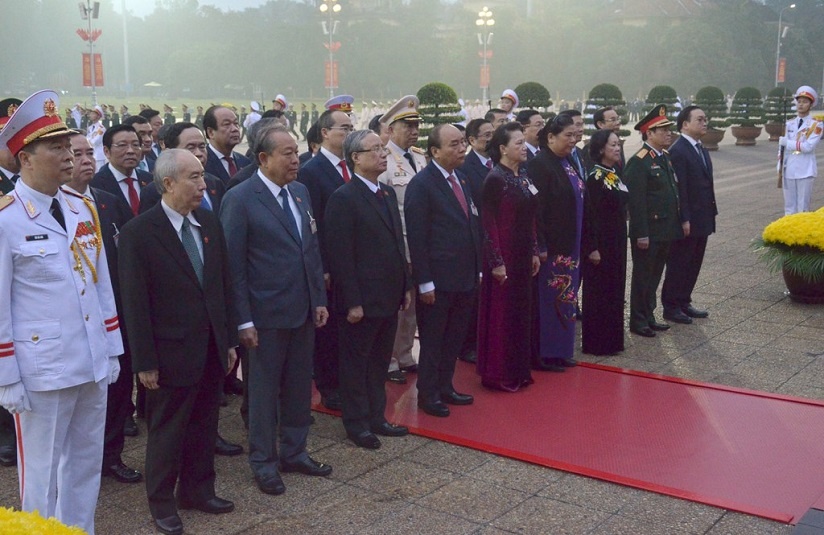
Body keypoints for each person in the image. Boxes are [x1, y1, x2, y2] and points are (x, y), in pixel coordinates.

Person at [0, 89, 123, 534]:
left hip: (89, 359)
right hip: (42, 369)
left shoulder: (80, 206)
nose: (68, 154)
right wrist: (6, 375)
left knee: (85, 464)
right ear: (25, 157)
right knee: (42, 472)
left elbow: (101, 284)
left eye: (67, 145)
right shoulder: (7, 219)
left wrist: (111, 348)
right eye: (55, 147)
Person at [119, 149, 237, 535]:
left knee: (205, 425)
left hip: (209, 349)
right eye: (195, 177)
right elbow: (135, 304)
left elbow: (221, 286)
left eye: (203, 176)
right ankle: (162, 503)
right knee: (168, 433)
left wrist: (228, 339)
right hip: (168, 354)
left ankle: (199, 491)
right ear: (168, 183)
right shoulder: (140, 233)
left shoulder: (207, 222)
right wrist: (144, 362)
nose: (204, 184)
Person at [220, 124, 332, 497]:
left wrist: (318, 299)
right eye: (286, 153)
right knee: (264, 394)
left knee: (299, 387)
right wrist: (243, 320)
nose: (295, 159)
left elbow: (310, 251)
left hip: (301, 311)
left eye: (296, 152)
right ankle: (264, 462)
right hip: (264, 318)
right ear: (264, 159)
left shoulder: (299, 193)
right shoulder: (241, 198)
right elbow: (233, 267)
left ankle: (295, 451)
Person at [324, 130, 411, 449]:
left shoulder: (386, 194)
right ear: (355, 158)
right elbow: (341, 255)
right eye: (373, 149)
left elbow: (397, 244)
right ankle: (356, 422)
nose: (382, 153)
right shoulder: (343, 198)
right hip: (361, 300)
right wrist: (353, 302)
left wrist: (405, 285)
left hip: (388, 296)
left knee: (378, 362)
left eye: (382, 148)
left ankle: (377, 416)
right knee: (355, 363)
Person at [64, 131, 142, 484]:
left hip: (116, 315)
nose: (84, 160)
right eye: (75, 154)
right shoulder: (52, 208)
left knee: (117, 388)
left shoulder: (109, 201)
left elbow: (131, 251)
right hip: (74, 321)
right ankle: (75, 463)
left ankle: (111, 456)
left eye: (87, 153)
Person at [405, 124, 481, 417]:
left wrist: (477, 269)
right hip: (437, 280)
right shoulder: (422, 185)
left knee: (454, 338)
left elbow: (472, 224)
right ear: (434, 151)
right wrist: (424, 282)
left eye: (463, 142)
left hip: (464, 277)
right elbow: (417, 236)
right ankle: (428, 393)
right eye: (454, 144)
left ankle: (446, 385)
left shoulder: (461, 178)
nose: (462, 148)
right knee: (434, 340)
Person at [297, 109, 355, 411]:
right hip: (328, 264)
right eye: (342, 128)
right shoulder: (312, 170)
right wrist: (323, 267)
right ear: (324, 133)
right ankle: (329, 385)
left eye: (350, 127)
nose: (348, 133)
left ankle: (347, 380)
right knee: (328, 330)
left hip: (353, 262)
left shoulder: (354, 166)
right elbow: (312, 223)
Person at [477, 122, 540, 391]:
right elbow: (488, 224)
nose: (523, 147)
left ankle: (519, 370)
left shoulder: (524, 175)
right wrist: (497, 262)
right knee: (502, 316)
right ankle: (498, 373)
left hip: (524, 256)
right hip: (504, 258)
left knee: (520, 314)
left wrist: (535, 250)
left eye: (524, 142)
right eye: (518, 143)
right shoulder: (495, 179)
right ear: (502, 148)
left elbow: (531, 217)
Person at [528, 114, 592, 369]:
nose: (573, 141)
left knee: (567, 298)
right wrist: (540, 246)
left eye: (575, 136)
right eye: (568, 136)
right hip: (552, 249)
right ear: (551, 137)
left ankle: (562, 349)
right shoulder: (540, 165)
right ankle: (545, 353)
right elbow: (536, 212)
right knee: (551, 299)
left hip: (570, 245)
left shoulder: (568, 162)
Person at [378, 96, 428, 384]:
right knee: (399, 307)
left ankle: (406, 354)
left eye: (416, 125)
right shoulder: (383, 159)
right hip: (401, 245)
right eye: (407, 125)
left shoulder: (420, 157)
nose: (413, 131)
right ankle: (390, 359)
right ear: (391, 128)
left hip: (422, 244)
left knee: (413, 308)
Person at [625, 104, 681, 338]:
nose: (668, 134)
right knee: (643, 277)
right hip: (648, 231)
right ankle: (638, 320)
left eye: (669, 129)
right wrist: (641, 233)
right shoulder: (639, 161)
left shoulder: (664, 157)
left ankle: (649, 314)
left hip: (665, 228)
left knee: (655, 275)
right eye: (663, 130)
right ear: (649, 133)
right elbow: (636, 202)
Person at [662, 105, 716, 325]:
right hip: (688, 219)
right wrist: (684, 218)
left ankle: (684, 300)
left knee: (694, 262)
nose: (704, 123)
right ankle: (671, 306)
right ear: (685, 124)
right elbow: (680, 189)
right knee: (679, 262)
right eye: (699, 119)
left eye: (705, 119)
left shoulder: (700, 147)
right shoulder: (678, 150)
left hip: (703, 216)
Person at [581, 129, 628, 355]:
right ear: (601, 149)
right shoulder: (595, 177)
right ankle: (597, 343)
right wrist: (592, 247)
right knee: (600, 293)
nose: (617, 148)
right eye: (612, 145)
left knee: (614, 291)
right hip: (601, 245)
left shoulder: (614, 172)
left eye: (618, 144)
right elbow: (591, 217)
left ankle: (613, 340)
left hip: (616, 242)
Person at [91, 124, 154, 217]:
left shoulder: (151, 180)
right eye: (122, 145)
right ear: (107, 151)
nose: (130, 151)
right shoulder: (95, 185)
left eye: (135, 145)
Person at [779, 85, 822, 215]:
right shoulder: (789, 123)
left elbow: (808, 147)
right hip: (789, 168)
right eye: (799, 101)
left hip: (805, 169)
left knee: (802, 207)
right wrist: (780, 165)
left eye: (805, 102)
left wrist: (788, 143)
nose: (801, 105)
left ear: (811, 104)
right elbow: (781, 148)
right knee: (789, 206)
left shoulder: (816, 124)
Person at [204, 105, 251, 185]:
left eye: (236, 123)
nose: (235, 129)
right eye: (227, 124)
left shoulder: (245, 162)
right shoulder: (203, 164)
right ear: (211, 132)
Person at [582, 106, 625, 172]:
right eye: (613, 120)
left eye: (617, 119)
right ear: (600, 124)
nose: (618, 123)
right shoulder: (590, 148)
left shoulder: (618, 144)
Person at [86, 105, 107, 171]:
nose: (91, 115)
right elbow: (87, 138)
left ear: (98, 116)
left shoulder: (101, 128)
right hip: (92, 154)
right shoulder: (90, 127)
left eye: (93, 114)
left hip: (99, 156)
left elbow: (96, 141)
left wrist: (88, 141)